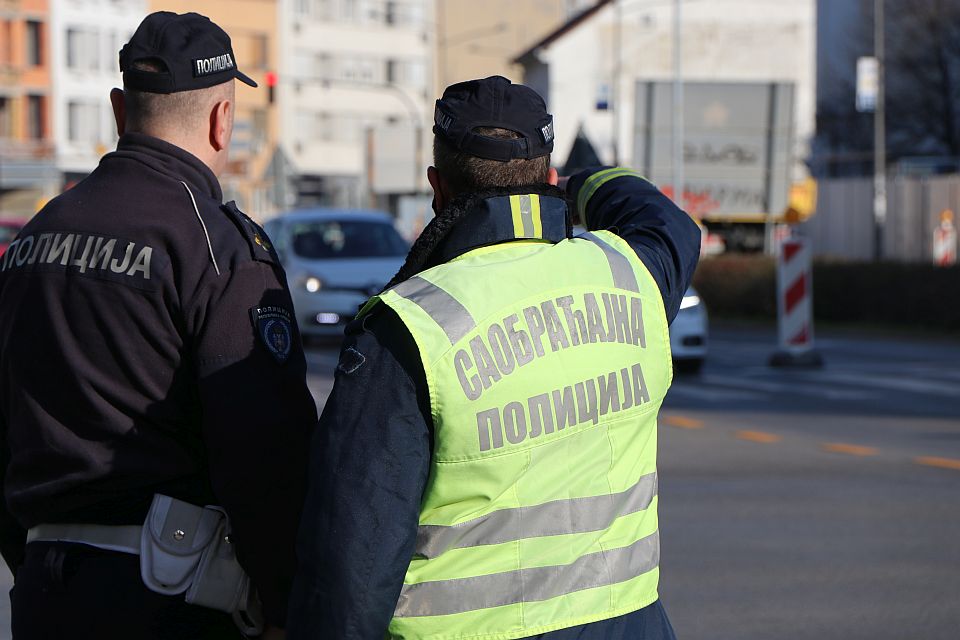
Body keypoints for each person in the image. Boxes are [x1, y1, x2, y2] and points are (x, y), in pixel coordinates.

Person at [288, 76, 701, 639]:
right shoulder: (628, 276)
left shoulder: (410, 327)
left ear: (436, 186)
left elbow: (353, 558)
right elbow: (665, 221)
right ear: (549, 177)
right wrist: (583, 184)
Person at [0, 11, 316, 640]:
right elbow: (266, 453)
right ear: (222, 120)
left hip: (45, 591)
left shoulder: (33, 239)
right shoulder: (213, 245)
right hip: (175, 598)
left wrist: (32, 556)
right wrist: (285, 606)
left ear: (120, 110)